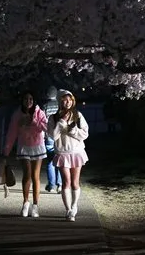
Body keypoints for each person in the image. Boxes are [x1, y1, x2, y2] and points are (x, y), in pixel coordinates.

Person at [3, 91, 48, 218]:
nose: (28, 101)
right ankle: (25, 203)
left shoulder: (39, 112)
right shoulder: (17, 114)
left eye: (31, 99)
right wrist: (6, 150)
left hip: (38, 146)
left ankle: (35, 205)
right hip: (24, 147)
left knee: (35, 176)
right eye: (26, 99)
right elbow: (12, 133)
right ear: (22, 101)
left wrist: (35, 122)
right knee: (27, 174)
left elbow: (46, 127)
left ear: (33, 101)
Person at [47, 90, 89, 221]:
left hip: (76, 152)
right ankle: (68, 210)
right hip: (62, 152)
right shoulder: (53, 118)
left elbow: (85, 133)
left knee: (75, 182)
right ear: (60, 101)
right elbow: (53, 136)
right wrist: (61, 122)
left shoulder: (78, 115)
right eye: (64, 100)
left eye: (70, 99)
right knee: (66, 182)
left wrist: (72, 130)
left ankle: (74, 205)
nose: (68, 102)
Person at [43, 86, 62, 193]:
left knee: (50, 161)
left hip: (49, 136)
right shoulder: (60, 106)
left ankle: (52, 185)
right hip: (59, 137)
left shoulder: (45, 106)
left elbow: (43, 122)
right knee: (59, 160)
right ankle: (60, 184)